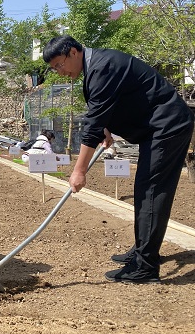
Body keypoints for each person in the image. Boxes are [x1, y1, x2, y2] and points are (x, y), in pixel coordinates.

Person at [43, 35, 194, 284]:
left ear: (73, 52)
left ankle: (145, 266)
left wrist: (79, 171)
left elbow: (92, 125)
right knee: (145, 189)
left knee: (151, 191)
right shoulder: (96, 67)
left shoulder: (103, 66)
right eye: (54, 69)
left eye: (59, 65)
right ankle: (142, 249)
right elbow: (104, 110)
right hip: (155, 130)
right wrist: (107, 127)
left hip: (168, 126)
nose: (59, 72)